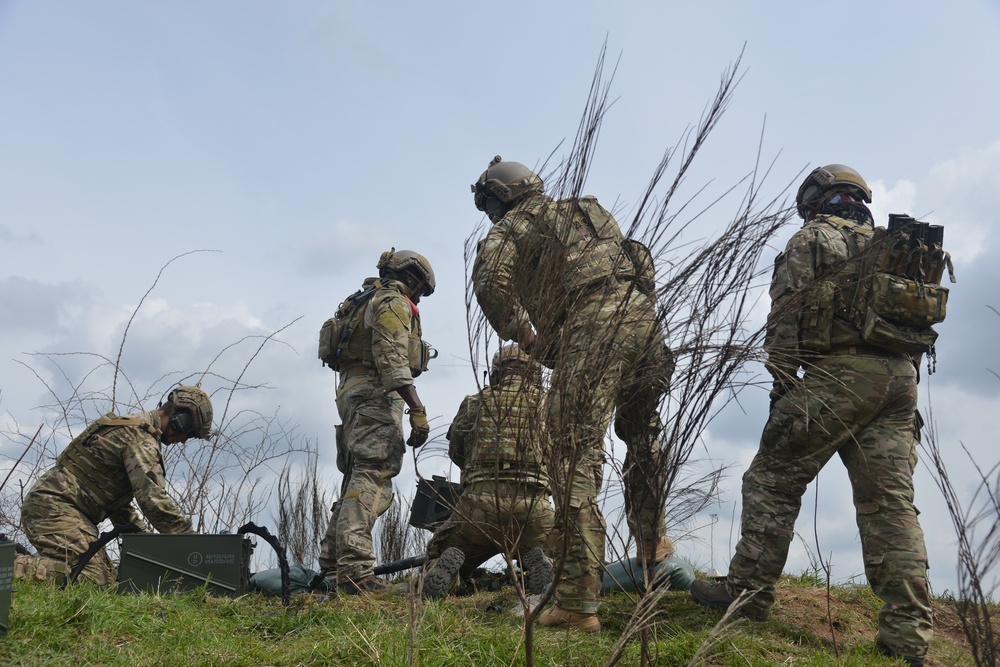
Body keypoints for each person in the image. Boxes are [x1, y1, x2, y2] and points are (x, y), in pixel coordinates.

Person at [689, 164, 933, 666]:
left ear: (815, 197)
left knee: (772, 478)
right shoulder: (897, 246)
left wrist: (782, 388)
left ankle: (747, 596)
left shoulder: (814, 238)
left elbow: (784, 316)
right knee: (890, 507)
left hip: (839, 375)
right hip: (900, 382)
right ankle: (908, 638)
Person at [471, 156, 675, 631]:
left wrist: (524, 333)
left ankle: (576, 602)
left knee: (571, 450)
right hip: (644, 319)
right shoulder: (588, 211)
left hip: (594, 322)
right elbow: (638, 262)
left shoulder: (518, 222)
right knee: (642, 433)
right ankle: (652, 546)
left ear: (499, 199)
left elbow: (490, 280)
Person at [317, 248, 436, 595]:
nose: (418, 299)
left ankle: (332, 567)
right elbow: (392, 360)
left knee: (356, 479)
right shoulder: (392, 302)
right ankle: (355, 572)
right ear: (411, 279)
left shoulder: (359, 301)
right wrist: (417, 409)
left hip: (352, 394)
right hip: (375, 396)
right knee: (373, 474)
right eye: (420, 292)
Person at [18, 385, 214, 585]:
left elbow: (118, 506)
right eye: (189, 434)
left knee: (110, 579)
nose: (183, 442)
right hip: (53, 507)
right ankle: (8, 565)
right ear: (180, 421)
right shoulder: (141, 439)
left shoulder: (135, 430)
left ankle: (16, 560)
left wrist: (144, 540)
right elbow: (153, 501)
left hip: (58, 507)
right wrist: (191, 543)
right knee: (92, 579)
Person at [421, 343, 556, 600]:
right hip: (533, 508)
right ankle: (542, 563)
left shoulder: (474, 402)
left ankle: (450, 576)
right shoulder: (549, 403)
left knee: (439, 552)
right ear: (534, 373)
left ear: (495, 373)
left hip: (477, 508)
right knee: (564, 556)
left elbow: (456, 451)